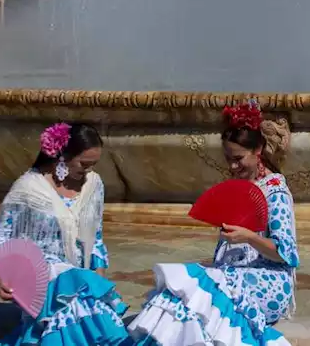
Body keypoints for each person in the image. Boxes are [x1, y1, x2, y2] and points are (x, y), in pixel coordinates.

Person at [127, 100, 299, 346]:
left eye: (239, 158)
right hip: (232, 275)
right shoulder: (240, 187)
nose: (232, 166)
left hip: (268, 283)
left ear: (258, 149)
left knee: (196, 284)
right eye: (228, 158)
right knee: (186, 289)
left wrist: (249, 237)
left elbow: (287, 255)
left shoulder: (275, 192)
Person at [0, 122, 132, 346]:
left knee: (89, 307)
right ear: (62, 156)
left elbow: (95, 237)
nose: (88, 170)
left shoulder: (94, 184)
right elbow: (2, 234)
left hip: (80, 278)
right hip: (39, 275)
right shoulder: (28, 188)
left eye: (94, 164)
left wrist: (98, 282)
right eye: (84, 163)